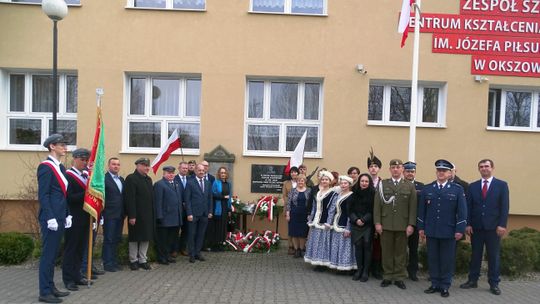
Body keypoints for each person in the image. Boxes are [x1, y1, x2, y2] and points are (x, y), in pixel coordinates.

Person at [418, 160, 467, 298]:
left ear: (449, 173)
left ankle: (445, 285)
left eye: (444, 171)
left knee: (447, 260)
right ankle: (434, 284)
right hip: (431, 230)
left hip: (449, 231)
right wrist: (421, 228)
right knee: (433, 259)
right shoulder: (428, 189)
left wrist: (460, 229)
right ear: (436, 172)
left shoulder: (457, 189)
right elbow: (422, 211)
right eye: (439, 170)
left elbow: (462, 212)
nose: (441, 173)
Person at [460, 159, 509, 296]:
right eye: (481, 167)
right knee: (475, 255)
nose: (484, 168)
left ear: (492, 168)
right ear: (479, 169)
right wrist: (467, 224)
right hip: (476, 227)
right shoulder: (473, 186)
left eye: (487, 166)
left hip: (494, 228)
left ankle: (494, 283)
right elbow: (468, 207)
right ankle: (472, 280)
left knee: (493, 256)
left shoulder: (501, 185)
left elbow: (504, 207)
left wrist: (502, 224)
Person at [37, 134, 71, 303]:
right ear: (52, 146)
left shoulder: (61, 168)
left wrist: (67, 213)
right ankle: (44, 291)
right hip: (50, 219)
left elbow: (64, 195)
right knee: (48, 256)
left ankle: (51, 287)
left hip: (59, 217)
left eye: (65, 145)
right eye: (62, 145)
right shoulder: (46, 167)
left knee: (53, 255)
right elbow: (43, 195)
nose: (65, 147)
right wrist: (50, 216)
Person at [373, 159, 417, 290]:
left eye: (398, 167)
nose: (396, 169)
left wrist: (411, 225)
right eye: (393, 167)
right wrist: (377, 223)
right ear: (390, 169)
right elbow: (377, 206)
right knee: (386, 252)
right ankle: (387, 276)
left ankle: (399, 277)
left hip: (403, 225)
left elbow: (413, 207)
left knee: (401, 253)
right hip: (385, 224)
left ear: (402, 169)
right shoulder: (382, 184)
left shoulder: (409, 186)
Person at [62, 148, 91, 292]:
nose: (84, 162)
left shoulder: (86, 176)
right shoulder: (68, 175)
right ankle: (68, 279)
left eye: (86, 160)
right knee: (71, 249)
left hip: (85, 217)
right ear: (75, 159)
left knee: (80, 249)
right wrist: (86, 193)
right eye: (82, 160)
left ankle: (77, 275)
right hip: (73, 218)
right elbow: (69, 197)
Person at [124, 157, 154, 271]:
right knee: (134, 238)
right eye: (144, 165)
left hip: (147, 214)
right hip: (136, 215)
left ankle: (143, 259)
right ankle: (133, 260)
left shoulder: (149, 179)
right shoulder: (131, 179)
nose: (147, 168)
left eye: (148, 166)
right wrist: (132, 215)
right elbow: (129, 198)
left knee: (145, 237)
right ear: (137, 166)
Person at [304, 171, 338, 270]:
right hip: (316, 221)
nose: (324, 181)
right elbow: (314, 207)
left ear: (330, 181)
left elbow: (332, 209)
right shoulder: (318, 192)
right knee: (316, 242)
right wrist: (311, 218)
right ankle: (317, 261)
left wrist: (328, 222)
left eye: (326, 180)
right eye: (322, 179)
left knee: (323, 243)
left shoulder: (333, 194)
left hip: (324, 222)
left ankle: (323, 263)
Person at [154, 165, 183, 265]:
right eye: (168, 173)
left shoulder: (176, 184)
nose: (171, 175)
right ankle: (161, 257)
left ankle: (167, 256)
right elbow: (158, 202)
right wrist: (159, 216)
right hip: (165, 217)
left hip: (175, 217)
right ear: (164, 173)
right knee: (163, 240)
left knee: (171, 239)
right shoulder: (159, 184)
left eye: (172, 173)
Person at [326, 175, 356, 271]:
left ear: (349, 184)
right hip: (336, 223)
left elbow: (350, 213)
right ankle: (337, 266)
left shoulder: (351, 196)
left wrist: (348, 227)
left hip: (345, 223)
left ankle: (345, 267)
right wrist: (328, 222)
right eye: (341, 183)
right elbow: (332, 210)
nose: (343, 185)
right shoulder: (337, 195)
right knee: (336, 245)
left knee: (345, 247)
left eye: (345, 183)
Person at [185, 164, 213, 263]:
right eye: (199, 170)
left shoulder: (208, 183)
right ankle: (191, 254)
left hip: (204, 214)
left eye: (203, 170)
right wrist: (189, 213)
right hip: (193, 214)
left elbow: (210, 198)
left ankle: (197, 253)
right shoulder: (190, 183)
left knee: (201, 235)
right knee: (192, 234)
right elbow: (187, 200)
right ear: (196, 171)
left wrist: (210, 211)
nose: (201, 172)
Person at [350, 173, 375, 282]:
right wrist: (356, 219)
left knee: (367, 246)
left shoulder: (373, 194)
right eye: (362, 181)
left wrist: (364, 220)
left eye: (366, 181)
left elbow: (373, 210)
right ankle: (359, 270)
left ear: (369, 183)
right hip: (356, 224)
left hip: (368, 224)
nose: (364, 183)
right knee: (358, 246)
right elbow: (349, 210)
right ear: (359, 182)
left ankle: (366, 271)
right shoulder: (353, 193)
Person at [102, 157, 125, 272]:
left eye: (118, 164)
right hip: (109, 214)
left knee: (116, 239)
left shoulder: (121, 179)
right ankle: (107, 263)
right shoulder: (104, 179)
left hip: (120, 214)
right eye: (114, 164)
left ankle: (114, 261)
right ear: (109, 165)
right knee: (109, 239)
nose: (116, 166)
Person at [403, 161, 424, 281]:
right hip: (401, 223)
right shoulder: (399, 185)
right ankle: (399, 270)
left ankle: (412, 272)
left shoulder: (421, 186)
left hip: (415, 223)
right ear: (403, 172)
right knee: (400, 249)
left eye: (412, 171)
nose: (410, 173)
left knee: (413, 249)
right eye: (408, 171)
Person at [285, 174, 311, 258]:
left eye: (302, 180)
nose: (300, 182)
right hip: (294, 214)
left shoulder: (309, 191)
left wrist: (310, 215)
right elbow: (288, 203)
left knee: (303, 233)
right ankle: (296, 250)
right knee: (294, 233)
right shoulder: (292, 191)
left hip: (305, 214)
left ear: (305, 181)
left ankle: (301, 248)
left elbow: (311, 204)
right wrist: (288, 214)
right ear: (297, 181)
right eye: (299, 180)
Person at [367, 149, 383, 280]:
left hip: (379, 218)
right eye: (371, 166)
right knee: (367, 243)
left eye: (375, 166)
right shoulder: (364, 182)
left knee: (378, 244)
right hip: (366, 218)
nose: (373, 169)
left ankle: (377, 269)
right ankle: (366, 267)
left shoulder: (383, 183)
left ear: (379, 168)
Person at [209, 167, 232, 251]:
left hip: (225, 207)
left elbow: (229, 197)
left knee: (223, 226)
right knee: (217, 226)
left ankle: (221, 244)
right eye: (221, 173)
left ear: (226, 174)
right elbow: (213, 194)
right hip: (218, 207)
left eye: (224, 173)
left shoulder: (228, 184)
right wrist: (223, 197)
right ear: (219, 174)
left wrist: (229, 209)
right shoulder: (216, 182)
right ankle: (215, 246)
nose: (223, 174)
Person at [174, 161, 190, 257]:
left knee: (186, 230)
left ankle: (183, 248)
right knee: (176, 230)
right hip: (177, 210)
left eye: (186, 168)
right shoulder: (174, 179)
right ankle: (174, 250)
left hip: (188, 210)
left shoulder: (190, 179)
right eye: (183, 168)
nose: (185, 170)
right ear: (179, 168)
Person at [283, 166, 300, 255]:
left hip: (299, 208)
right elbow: (284, 195)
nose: (293, 174)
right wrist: (290, 203)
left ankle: (297, 246)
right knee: (290, 228)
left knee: (297, 228)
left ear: (298, 173)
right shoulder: (286, 183)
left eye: (295, 172)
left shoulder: (301, 182)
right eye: (292, 172)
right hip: (289, 208)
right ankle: (290, 247)